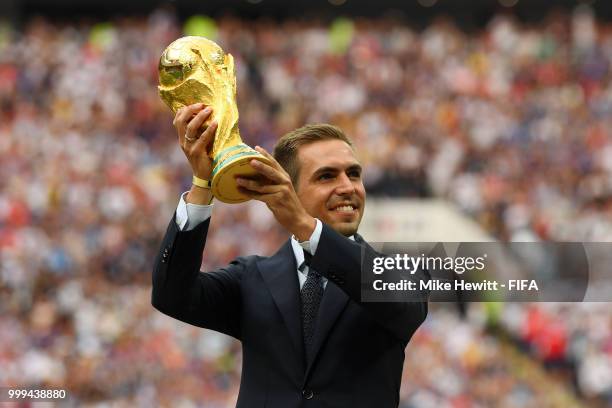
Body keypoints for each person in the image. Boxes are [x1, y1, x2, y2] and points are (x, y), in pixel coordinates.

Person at [151, 103, 428, 407]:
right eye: (327, 176)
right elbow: (171, 295)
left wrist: (306, 227)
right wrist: (203, 185)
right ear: (288, 189)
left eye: (353, 174)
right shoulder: (252, 278)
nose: (348, 187)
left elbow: (402, 305)